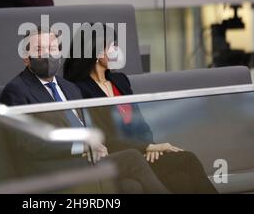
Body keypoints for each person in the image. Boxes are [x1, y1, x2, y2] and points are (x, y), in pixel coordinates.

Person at [0, 27, 175, 194]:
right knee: (133, 158)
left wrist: (96, 145)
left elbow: (88, 127)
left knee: (131, 187)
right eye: (39, 49)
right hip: (52, 168)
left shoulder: (70, 88)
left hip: (88, 161)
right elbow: (25, 143)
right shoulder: (17, 90)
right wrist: (80, 145)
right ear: (25, 58)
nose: (47, 54)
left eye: (52, 48)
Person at [63, 22, 218, 194]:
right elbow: (103, 137)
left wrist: (149, 145)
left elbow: (141, 124)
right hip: (121, 157)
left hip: (143, 152)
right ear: (98, 52)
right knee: (188, 160)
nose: (117, 49)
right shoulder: (79, 89)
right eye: (113, 45)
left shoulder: (120, 80)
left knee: (181, 180)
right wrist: (145, 148)